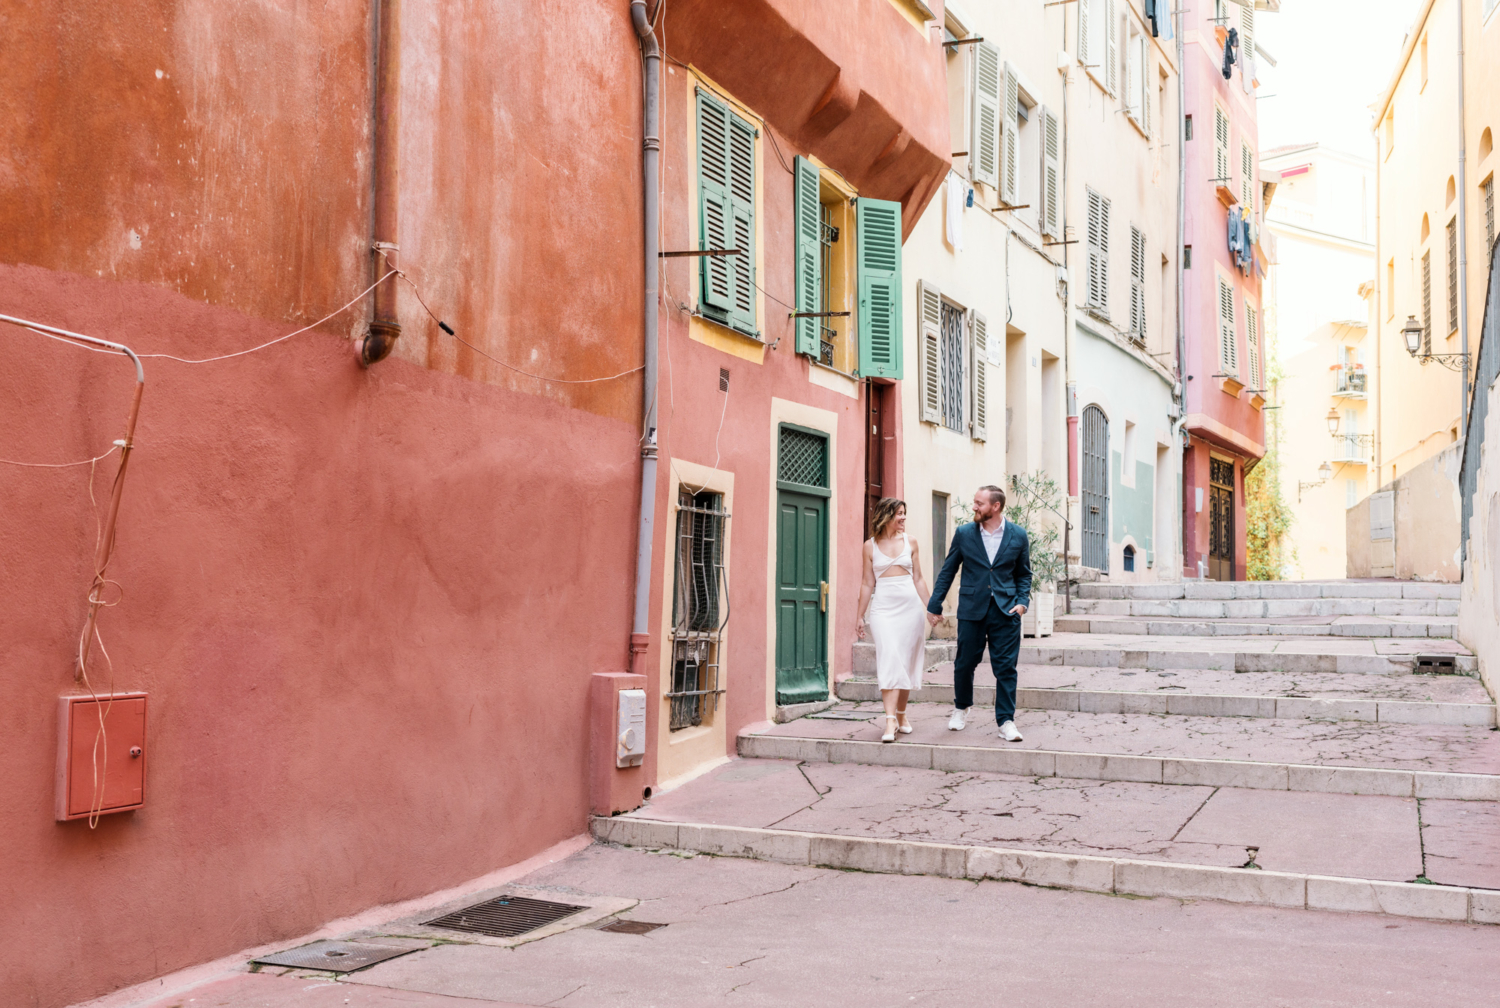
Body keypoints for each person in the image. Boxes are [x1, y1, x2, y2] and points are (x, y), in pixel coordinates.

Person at [926, 485, 1032, 741]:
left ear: (995, 507)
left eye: (979, 503)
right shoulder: (964, 534)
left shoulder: (1018, 535)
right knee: (964, 663)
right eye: (974, 502)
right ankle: (961, 707)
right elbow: (948, 570)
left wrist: (1022, 603)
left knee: (1006, 667)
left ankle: (1006, 721)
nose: (974, 507)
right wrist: (934, 604)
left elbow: (1024, 574)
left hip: (1006, 611)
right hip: (972, 609)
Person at [855, 498, 932, 743]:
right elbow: (867, 583)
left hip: (910, 608)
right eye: (899, 513)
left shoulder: (911, 542)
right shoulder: (870, 546)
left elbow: (918, 579)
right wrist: (859, 615)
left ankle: (901, 714)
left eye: (904, 513)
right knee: (889, 657)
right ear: (886, 515)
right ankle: (889, 721)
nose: (903, 518)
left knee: (906, 662)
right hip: (883, 610)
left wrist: (932, 608)